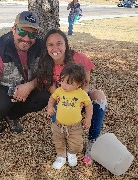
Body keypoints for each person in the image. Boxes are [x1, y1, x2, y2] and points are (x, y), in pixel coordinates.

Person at [0, 11, 50, 149]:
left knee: (45, 94)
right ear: (13, 29)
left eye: (32, 34)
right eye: (22, 32)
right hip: (2, 89)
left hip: (25, 86)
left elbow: (49, 72)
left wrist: (29, 86)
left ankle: (12, 116)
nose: (27, 38)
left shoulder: (41, 46)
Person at [37, 29, 107, 165]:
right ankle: (64, 148)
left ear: (66, 44)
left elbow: (85, 85)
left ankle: (92, 141)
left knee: (99, 97)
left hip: (79, 95)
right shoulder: (45, 64)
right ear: (46, 47)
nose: (55, 48)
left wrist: (81, 101)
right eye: (50, 45)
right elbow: (54, 93)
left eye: (59, 43)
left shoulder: (79, 58)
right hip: (62, 99)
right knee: (61, 125)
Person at [47, 63, 93, 169]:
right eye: (62, 80)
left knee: (77, 144)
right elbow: (52, 98)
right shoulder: (59, 90)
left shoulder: (81, 94)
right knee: (58, 141)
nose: (63, 85)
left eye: (68, 83)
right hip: (58, 124)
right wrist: (50, 107)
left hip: (75, 126)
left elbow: (89, 105)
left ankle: (72, 153)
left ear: (78, 84)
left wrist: (88, 118)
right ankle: (61, 156)